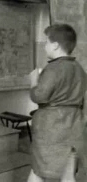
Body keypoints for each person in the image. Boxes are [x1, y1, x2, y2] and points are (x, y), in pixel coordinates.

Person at [27, 24, 87, 182]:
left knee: (38, 170)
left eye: (46, 43)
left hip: (51, 127)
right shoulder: (79, 68)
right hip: (74, 124)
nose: (45, 47)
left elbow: (39, 96)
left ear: (55, 46)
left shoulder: (54, 68)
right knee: (68, 173)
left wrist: (34, 82)